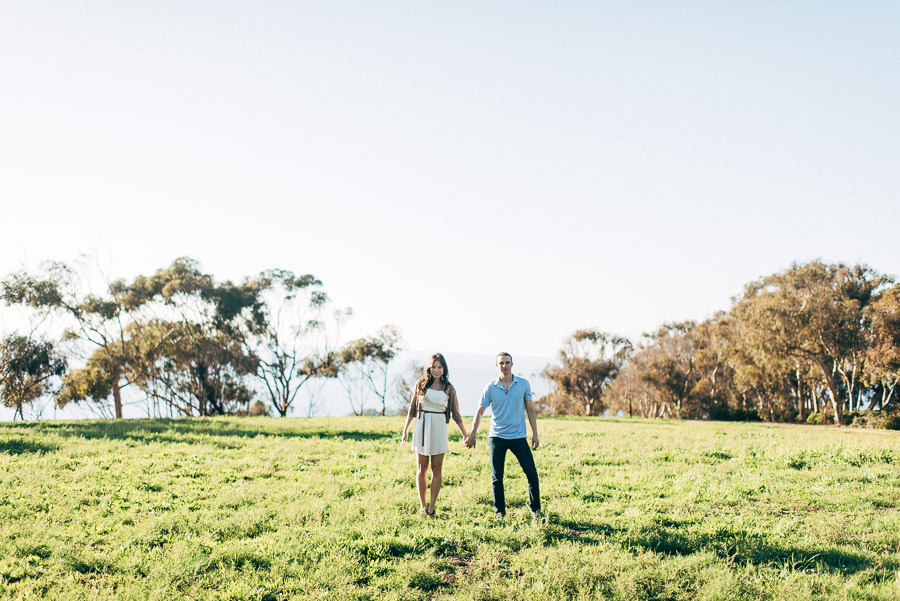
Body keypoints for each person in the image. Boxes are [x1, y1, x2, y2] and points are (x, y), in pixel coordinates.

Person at [465, 352, 543, 520]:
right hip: (497, 437)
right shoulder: (490, 387)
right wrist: (473, 434)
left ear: (512, 364)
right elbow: (479, 412)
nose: (504, 366)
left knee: (531, 473)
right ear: (496, 366)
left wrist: (535, 434)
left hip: (518, 437)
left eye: (507, 363)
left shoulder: (523, 384)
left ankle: (535, 511)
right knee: (497, 477)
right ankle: (499, 512)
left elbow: (530, 409)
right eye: (501, 363)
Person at [401, 353, 469, 516]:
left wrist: (465, 435)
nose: (437, 370)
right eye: (434, 367)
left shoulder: (449, 388)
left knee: (436, 468)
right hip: (422, 426)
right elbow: (411, 410)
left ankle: (432, 506)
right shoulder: (421, 385)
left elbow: (456, 413)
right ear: (429, 368)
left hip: (439, 427)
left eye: (440, 367)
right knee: (421, 468)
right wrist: (405, 431)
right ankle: (422, 505)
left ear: (444, 369)